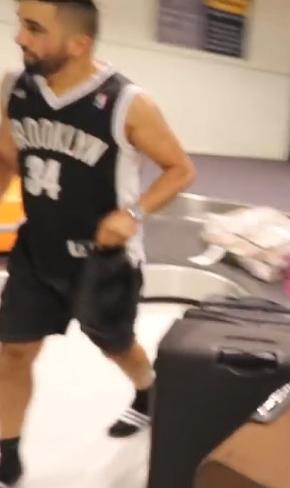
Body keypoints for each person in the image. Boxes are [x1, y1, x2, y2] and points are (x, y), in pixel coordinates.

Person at [0, 1, 195, 485]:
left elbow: (181, 169)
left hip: (101, 261)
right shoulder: (14, 90)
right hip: (37, 251)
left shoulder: (128, 102)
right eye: (20, 23)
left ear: (78, 43)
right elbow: (7, 155)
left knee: (117, 346)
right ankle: (7, 448)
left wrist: (133, 214)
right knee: (12, 351)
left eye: (34, 28)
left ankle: (148, 390)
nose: (19, 37)